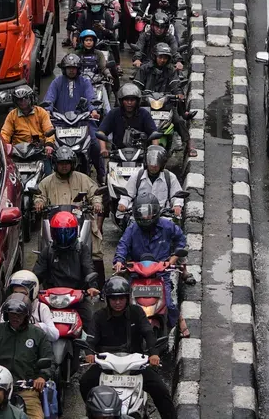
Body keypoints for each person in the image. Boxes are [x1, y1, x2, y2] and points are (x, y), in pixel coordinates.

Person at [77, 277, 175, 419]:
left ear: (127, 298)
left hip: (135, 365)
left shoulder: (137, 312)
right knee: (85, 383)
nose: (118, 302)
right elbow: (91, 339)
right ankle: (94, 413)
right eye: (114, 299)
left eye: (121, 298)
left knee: (161, 390)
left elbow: (148, 333)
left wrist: (154, 353)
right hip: (107, 365)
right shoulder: (99, 316)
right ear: (107, 299)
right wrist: (88, 353)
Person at [113, 195, 189, 337]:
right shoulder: (132, 229)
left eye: (149, 214)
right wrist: (119, 261)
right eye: (142, 214)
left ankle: (178, 320)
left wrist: (173, 259)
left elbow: (181, 239)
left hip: (160, 274)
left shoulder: (167, 226)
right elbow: (122, 245)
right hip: (137, 274)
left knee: (170, 304)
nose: (146, 218)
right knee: (119, 301)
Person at [34, 148, 105, 273]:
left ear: (72, 164)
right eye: (61, 163)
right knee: (45, 250)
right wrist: (39, 203)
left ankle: (98, 285)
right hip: (56, 226)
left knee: (95, 251)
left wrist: (96, 203)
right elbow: (40, 195)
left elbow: (95, 194)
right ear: (55, 164)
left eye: (67, 163)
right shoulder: (46, 182)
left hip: (80, 222)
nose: (64, 166)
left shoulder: (83, 179)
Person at [31, 213, 100, 334]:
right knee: (32, 321)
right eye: (59, 232)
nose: (63, 237)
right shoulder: (48, 251)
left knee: (91, 324)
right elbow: (37, 273)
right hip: (51, 298)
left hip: (77, 298)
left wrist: (92, 286)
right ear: (53, 233)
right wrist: (29, 287)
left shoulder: (81, 249)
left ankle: (91, 351)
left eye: (67, 232)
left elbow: (89, 268)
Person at [119, 145, 184, 220]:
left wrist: (177, 205)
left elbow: (177, 196)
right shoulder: (137, 176)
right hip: (140, 216)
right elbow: (127, 195)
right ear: (146, 163)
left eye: (156, 165)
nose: (153, 167)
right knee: (129, 230)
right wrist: (122, 204)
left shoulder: (170, 177)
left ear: (162, 165)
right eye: (151, 165)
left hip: (163, 216)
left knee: (174, 230)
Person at [97, 84, 157, 161]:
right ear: (121, 101)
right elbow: (101, 132)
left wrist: (154, 151)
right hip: (117, 156)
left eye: (132, 100)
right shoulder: (114, 114)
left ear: (137, 101)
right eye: (126, 100)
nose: (129, 103)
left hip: (140, 157)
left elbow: (154, 133)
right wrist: (103, 149)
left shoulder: (144, 114)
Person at [4, 271, 59, 342]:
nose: (19, 296)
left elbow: (55, 335)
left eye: (23, 293)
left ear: (33, 292)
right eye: (15, 293)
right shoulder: (7, 306)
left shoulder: (41, 308)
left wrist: (39, 327)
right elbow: (1, 329)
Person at [0, 85, 56, 150]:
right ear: (15, 101)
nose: (22, 102)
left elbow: (49, 129)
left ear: (31, 98)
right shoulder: (12, 115)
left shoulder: (41, 112)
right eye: (19, 99)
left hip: (39, 149)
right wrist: (3, 146)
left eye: (25, 98)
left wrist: (49, 144)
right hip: (19, 151)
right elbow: (5, 133)